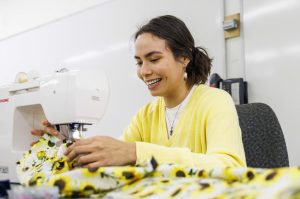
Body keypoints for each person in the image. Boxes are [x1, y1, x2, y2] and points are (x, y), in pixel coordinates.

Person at [31, 15, 246, 169]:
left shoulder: (216, 101)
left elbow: (229, 166)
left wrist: (137, 152)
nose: (144, 71)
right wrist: (65, 142)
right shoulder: (146, 115)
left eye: (154, 59)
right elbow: (114, 160)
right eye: (139, 62)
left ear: (184, 58)